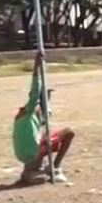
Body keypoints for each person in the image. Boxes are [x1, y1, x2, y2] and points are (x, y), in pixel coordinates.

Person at [13, 54, 73, 184]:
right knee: (68, 132)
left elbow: (44, 113)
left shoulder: (30, 118)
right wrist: (37, 65)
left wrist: (47, 98)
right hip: (32, 151)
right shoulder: (28, 112)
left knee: (46, 136)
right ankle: (55, 167)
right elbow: (35, 91)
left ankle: (32, 171)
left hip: (26, 153)